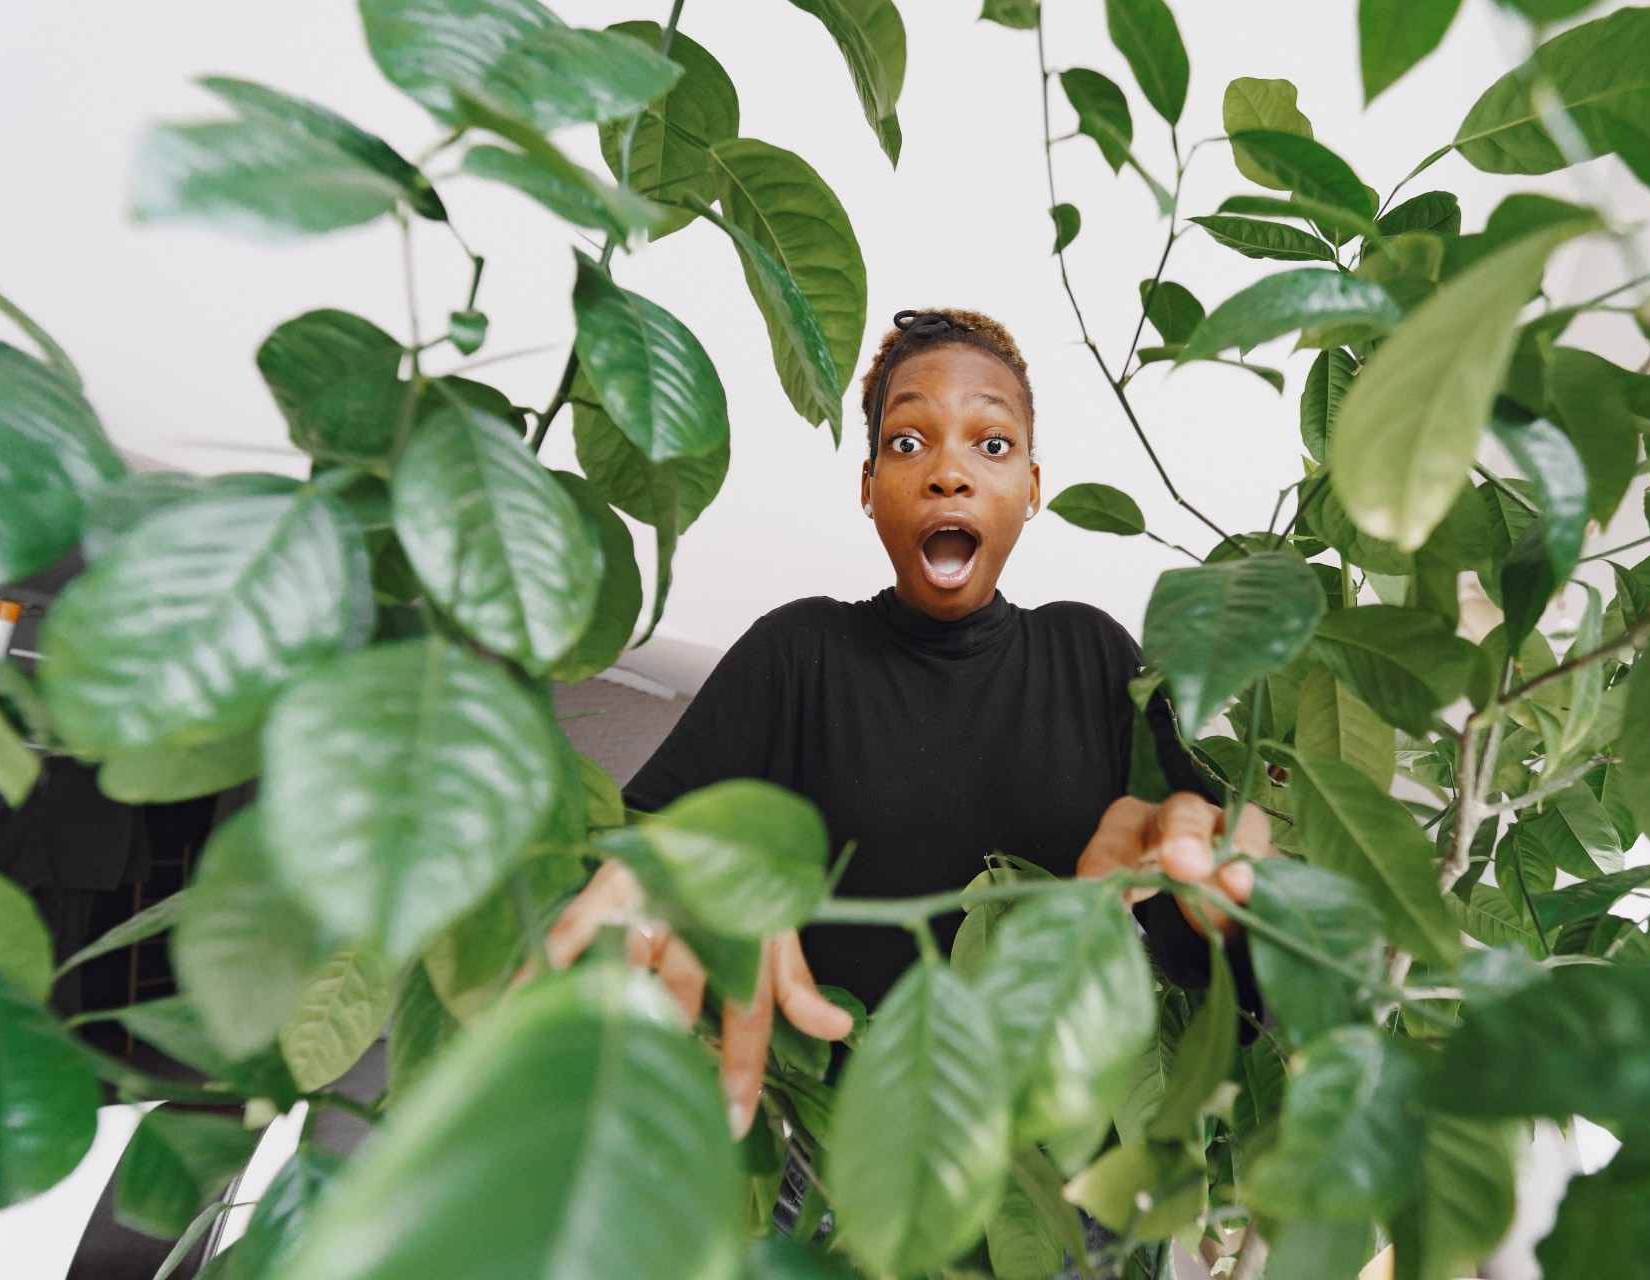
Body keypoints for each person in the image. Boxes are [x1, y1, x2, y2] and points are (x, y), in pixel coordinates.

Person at [541, 306, 1269, 1168]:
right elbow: (632, 847)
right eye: (908, 443)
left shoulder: (1092, 652)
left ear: (1033, 487)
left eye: (990, 446)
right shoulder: (797, 652)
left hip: (1069, 1192)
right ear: (867, 485)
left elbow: (1219, 955)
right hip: (839, 1175)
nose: (949, 473)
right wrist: (683, 889)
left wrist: (1224, 895)